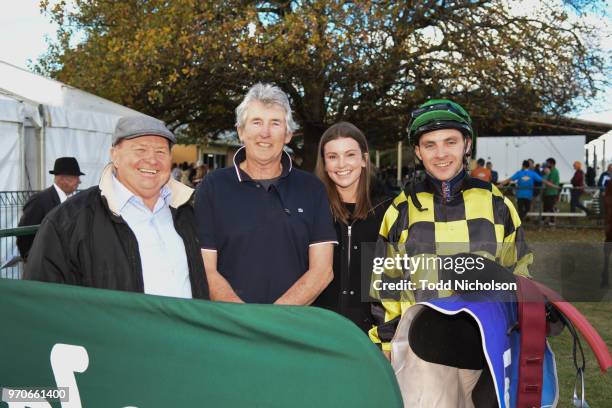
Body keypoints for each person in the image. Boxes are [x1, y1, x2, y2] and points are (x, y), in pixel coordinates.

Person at [368, 99, 533, 356]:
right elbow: (385, 290)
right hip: (420, 353)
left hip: (487, 351)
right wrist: (388, 349)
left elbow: (521, 274)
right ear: (418, 152)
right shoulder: (400, 209)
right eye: (429, 145)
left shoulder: (496, 203)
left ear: (467, 144)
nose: (441, 154)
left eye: (450, 142)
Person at [23, 116, 209, 299]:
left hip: (186, 329)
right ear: (115, 156)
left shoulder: (189, 211)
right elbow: (42, 302)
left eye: (161, 152)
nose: (152, 160)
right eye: (140, 150)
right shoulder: (67, 221)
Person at [194, 83, 336, 305]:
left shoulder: (312, 188)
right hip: (231, 327)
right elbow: (205, 269)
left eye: (275, 123)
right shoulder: (212, 187)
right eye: (256, 122)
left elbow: (323, 271)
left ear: (288, 134)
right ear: (241, 131)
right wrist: (246, 321)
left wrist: (273, 320)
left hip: (291, 327)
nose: (265, 133)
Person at [312, 122, 392, 332]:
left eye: (349, 155)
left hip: (370, 336)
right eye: (332, 157)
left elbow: (395, 284)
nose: (341, 164)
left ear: (364, 159)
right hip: (320, 330)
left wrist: (386, 336)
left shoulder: (389, 210)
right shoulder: (312, 209)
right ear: (324, 163)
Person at [16, 157, 84, 261]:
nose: (79, 182)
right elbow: (23, 235)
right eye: (76, 177)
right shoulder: (39, 200)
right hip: (43, 265)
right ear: (62, 178)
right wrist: (31, 259)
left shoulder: (72, 201)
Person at [542, 157, 561, 225]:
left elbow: (550, 182)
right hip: (548, 192)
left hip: (552, 192)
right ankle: (544, 220)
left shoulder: (554, 171)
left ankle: (552, 221)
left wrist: (546, 176)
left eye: (548, 163)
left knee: (550, 207)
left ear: (551, 163)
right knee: (545, 206)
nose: (546, 164)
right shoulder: (550, 170)